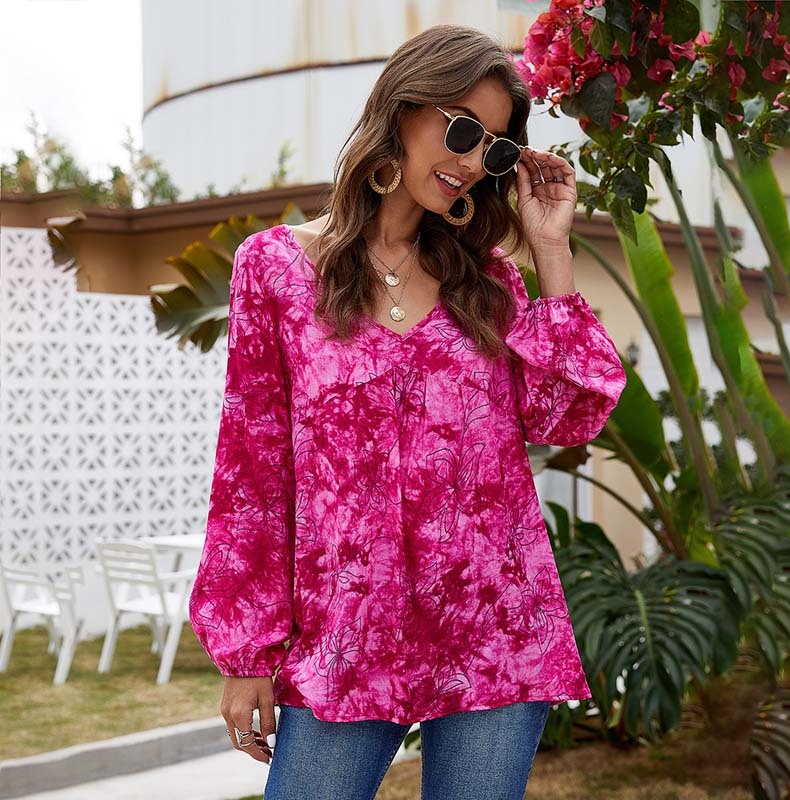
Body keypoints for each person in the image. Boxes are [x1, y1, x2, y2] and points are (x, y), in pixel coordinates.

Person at [188, 22, 627, 800]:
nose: (472, 162)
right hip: (343, 639)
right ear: (402, 109)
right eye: (462, 131)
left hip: (495, 633)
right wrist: (246, 653)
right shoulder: (275, 270)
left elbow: (566, 420)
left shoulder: (489, 283)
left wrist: (552, 253)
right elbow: (252, 473)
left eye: (495, 148)